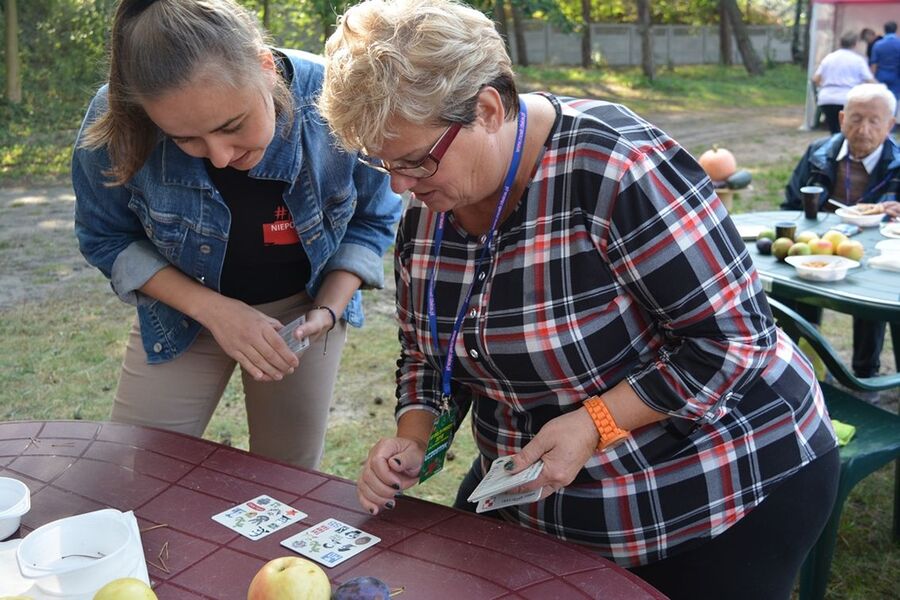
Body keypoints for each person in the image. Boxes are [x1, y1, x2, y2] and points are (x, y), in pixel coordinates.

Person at [317, 2, 839, 598]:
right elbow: (426, 357)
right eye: (382, 163)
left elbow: (736, 339)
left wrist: (596, 423)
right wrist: (414, 437)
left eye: (414, 160)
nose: (398, 186)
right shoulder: (431, 206)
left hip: (714, 490)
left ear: (488, 109)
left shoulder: (616, 166)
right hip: (540, 499)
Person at [72, 0, 402, 469]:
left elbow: (372, 218)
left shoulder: (337, 98)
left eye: (232, 126)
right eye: (186, 140)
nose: (221, 156)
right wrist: (215, 311)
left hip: (302, 313)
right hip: (182, 315)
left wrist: (328, 310)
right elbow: (106, 237)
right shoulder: (117, 117)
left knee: (287, 479)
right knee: (134, 471)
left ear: (265, 67)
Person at [783, 83, 900, 387]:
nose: (864, 129)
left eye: (875, 121)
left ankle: (865, 376)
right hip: (820, 247)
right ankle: (804, 369)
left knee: (870, 301)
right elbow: (792, 203)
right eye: (857, 119)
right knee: (798, 290)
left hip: (879, 254)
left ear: (891, 123)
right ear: (842, 119)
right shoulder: (818, 153)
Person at [812, 32, 874, 134]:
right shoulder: (858, 60)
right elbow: (870, 80)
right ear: (855, 44)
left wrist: (824, 86)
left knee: (834, 130)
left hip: (827, 98)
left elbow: (816, 79)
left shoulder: (829, 58)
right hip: (848, 98)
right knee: (847, 131)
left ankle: (835, 146)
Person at [871, 21, 900, 112]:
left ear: (885, 30)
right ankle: (890, 122)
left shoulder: (878, 44)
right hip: (896, 76)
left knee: (880, 99)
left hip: (881, 75)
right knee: (893, 100)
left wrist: (872, 79)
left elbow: (874, 63)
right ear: (896, 30)